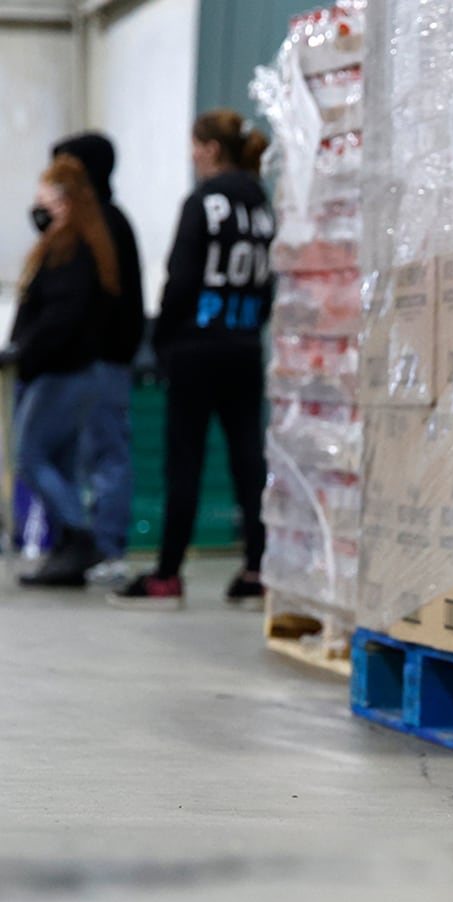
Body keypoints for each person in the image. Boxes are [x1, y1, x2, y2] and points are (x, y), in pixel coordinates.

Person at [113, 111, 275, 609]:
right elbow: (269, 280)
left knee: (184, 463)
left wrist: (162, 340)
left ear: (207, 148)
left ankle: (167, 574)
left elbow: (180, 280)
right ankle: (258, 568)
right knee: (249, 460)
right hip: (244, 345)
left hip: (195, 348)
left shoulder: (203, 202)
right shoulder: (262, 204)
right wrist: (248, 324)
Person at [1, 155, 121, 587]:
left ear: (66, 201)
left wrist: (25, 352)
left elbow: (60, 318)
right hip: (65, 370)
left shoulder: (74, 252)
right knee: (60, 462)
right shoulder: (71, 246)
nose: (38, 207)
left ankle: (78, 533)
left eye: (45, 199)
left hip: (61, 373)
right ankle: (66, 553)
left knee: (30, 457)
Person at [50, 134, 144, 585]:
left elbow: (107, 303)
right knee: (90, 455)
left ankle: (106, 546)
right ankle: (87, 540)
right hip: (92, 362)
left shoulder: (107, 224)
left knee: (106, 454)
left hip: (103, 361)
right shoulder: (89, 223)